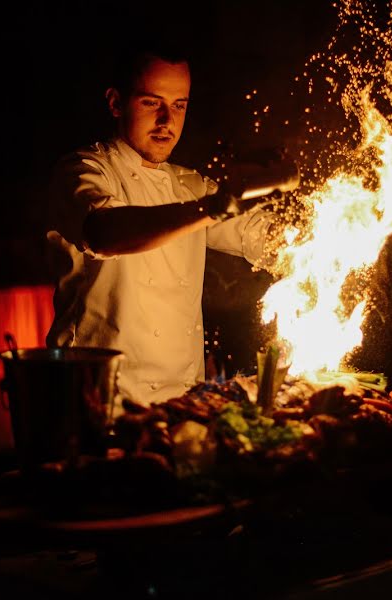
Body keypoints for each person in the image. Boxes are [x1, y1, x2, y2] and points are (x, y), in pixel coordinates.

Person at [45, 43, 283, 407]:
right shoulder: (83, 170)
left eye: (179, 105)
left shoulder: (190, 185)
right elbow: (106, 232)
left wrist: (321, 229)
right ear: (115, 103)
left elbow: (262, 236)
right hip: (100, 402)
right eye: (151, 103)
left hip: (184, 404)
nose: (167, 121)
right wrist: (213, 208)